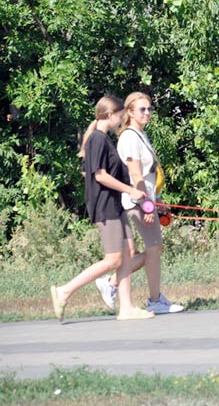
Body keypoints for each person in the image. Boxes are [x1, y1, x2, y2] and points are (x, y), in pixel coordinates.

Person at [50, 95, 155, 321]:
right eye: (120, 115)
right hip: (105, 208)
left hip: (116, 206)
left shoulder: (103, 139)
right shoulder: (98, 139)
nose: (122, 119)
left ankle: (126, 308)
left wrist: (143, 197)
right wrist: (129, 190)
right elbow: (100, 176)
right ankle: (64, 291)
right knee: (113, 259)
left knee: (128, 255)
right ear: (110, 115)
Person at [94, 91, 184, 315]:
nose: (147, 113)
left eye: (149, 109)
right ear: (130, 112)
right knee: (154, 247)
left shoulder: (141, 135)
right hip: (137, 202)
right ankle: (152, 299)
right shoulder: (129, 137)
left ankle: (113, 283)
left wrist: (158, 200)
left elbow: (149, 173)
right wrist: (147, 205)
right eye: (142, 109)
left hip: (148, 199)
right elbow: (136, 175)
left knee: (155, 248)